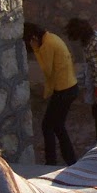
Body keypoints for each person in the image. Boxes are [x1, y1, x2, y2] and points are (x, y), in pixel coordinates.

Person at [23, 22, 78, 166]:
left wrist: (36, 50)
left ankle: (52, 161)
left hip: (63, 90)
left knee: (47, 126)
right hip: (69, 87)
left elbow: (47, 70)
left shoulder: (47, 45)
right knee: (58, 126)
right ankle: (70, 159)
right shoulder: (52, 37)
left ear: (34, 38)